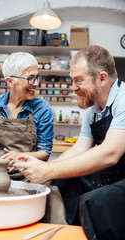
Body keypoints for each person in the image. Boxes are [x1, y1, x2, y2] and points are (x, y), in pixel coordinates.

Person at [8, 45, 125, 239]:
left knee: (94, 201)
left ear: (102, 78)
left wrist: (47, 170)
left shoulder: (123, 100)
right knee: (59, 182)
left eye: (78, 80)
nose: (73, 88)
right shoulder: (93, 110)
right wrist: (44, 167)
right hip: (111, 175)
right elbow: (80, 148)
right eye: (72, 80)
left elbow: (110, 153)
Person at [0, 52, 54, 180]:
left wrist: (20, 155)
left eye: (37, 77)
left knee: (51, 196)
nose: (36, 83)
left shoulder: (42, 108)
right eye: (30, 78)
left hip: (27, 170)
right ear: (10, 81)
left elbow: (45, 152)